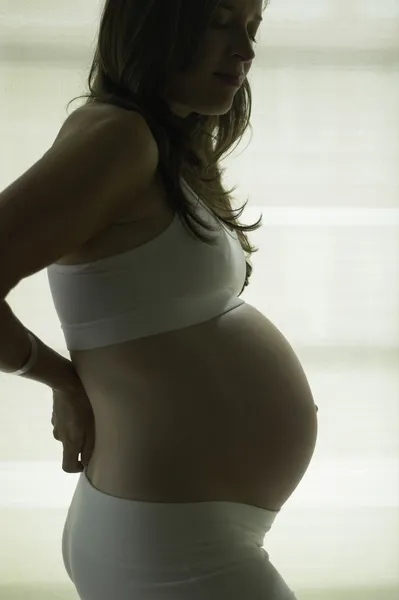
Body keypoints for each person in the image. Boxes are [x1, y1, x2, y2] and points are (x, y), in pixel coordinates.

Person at [0, 0, 319, 598]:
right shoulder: (117, 139)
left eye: (251, 29)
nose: (245, 50)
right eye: (217, 22)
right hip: (169, 546)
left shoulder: (154, 138)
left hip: (177, 532)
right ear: (154, 24)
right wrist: (60, 379)